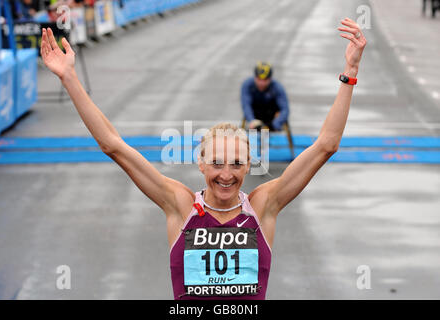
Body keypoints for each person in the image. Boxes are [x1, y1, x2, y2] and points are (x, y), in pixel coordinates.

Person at [40, 17, 366, 300]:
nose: (226, 174)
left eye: (236, 164)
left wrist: (350, 71)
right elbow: (114, 146)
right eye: (217, 163)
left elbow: (326, 145)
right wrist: (69, 78)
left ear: (249, 165)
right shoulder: (179, 205)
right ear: (201, 163)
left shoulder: (264, 205)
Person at [241, 61, 289, 131]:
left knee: (265, 137)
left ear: (270, 79)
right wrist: (251, 120)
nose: (262, 83)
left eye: (265, 80)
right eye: (259, 79)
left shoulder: (277, 87)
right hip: (255, 119)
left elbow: (285, 109)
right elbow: (246, 105)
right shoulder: (247, 85)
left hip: (272, 120)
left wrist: (275, 124)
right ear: (255, 77)